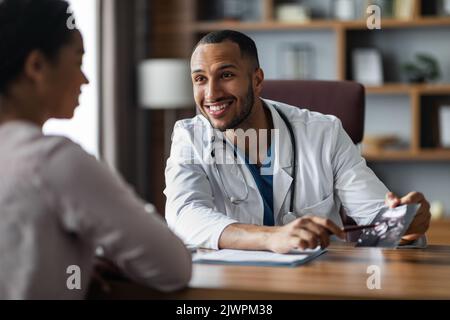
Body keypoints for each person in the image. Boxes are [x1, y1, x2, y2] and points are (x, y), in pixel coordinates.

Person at [164, 30, 431, 253]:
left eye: (226, 75)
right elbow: (184, 216)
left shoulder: (323, 133)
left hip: (318, 281)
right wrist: (272, 237)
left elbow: (377, 220)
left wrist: (405, 226)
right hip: (232, 283)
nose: (211, 93)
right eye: (200, 79)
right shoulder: (190, 137)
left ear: (257, 80)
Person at [0, 0, 191, 299]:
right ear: (36, 66)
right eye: (77, 61)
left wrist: (77, 265)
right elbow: (172, 267)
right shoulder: (51, 161)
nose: (85, 80)